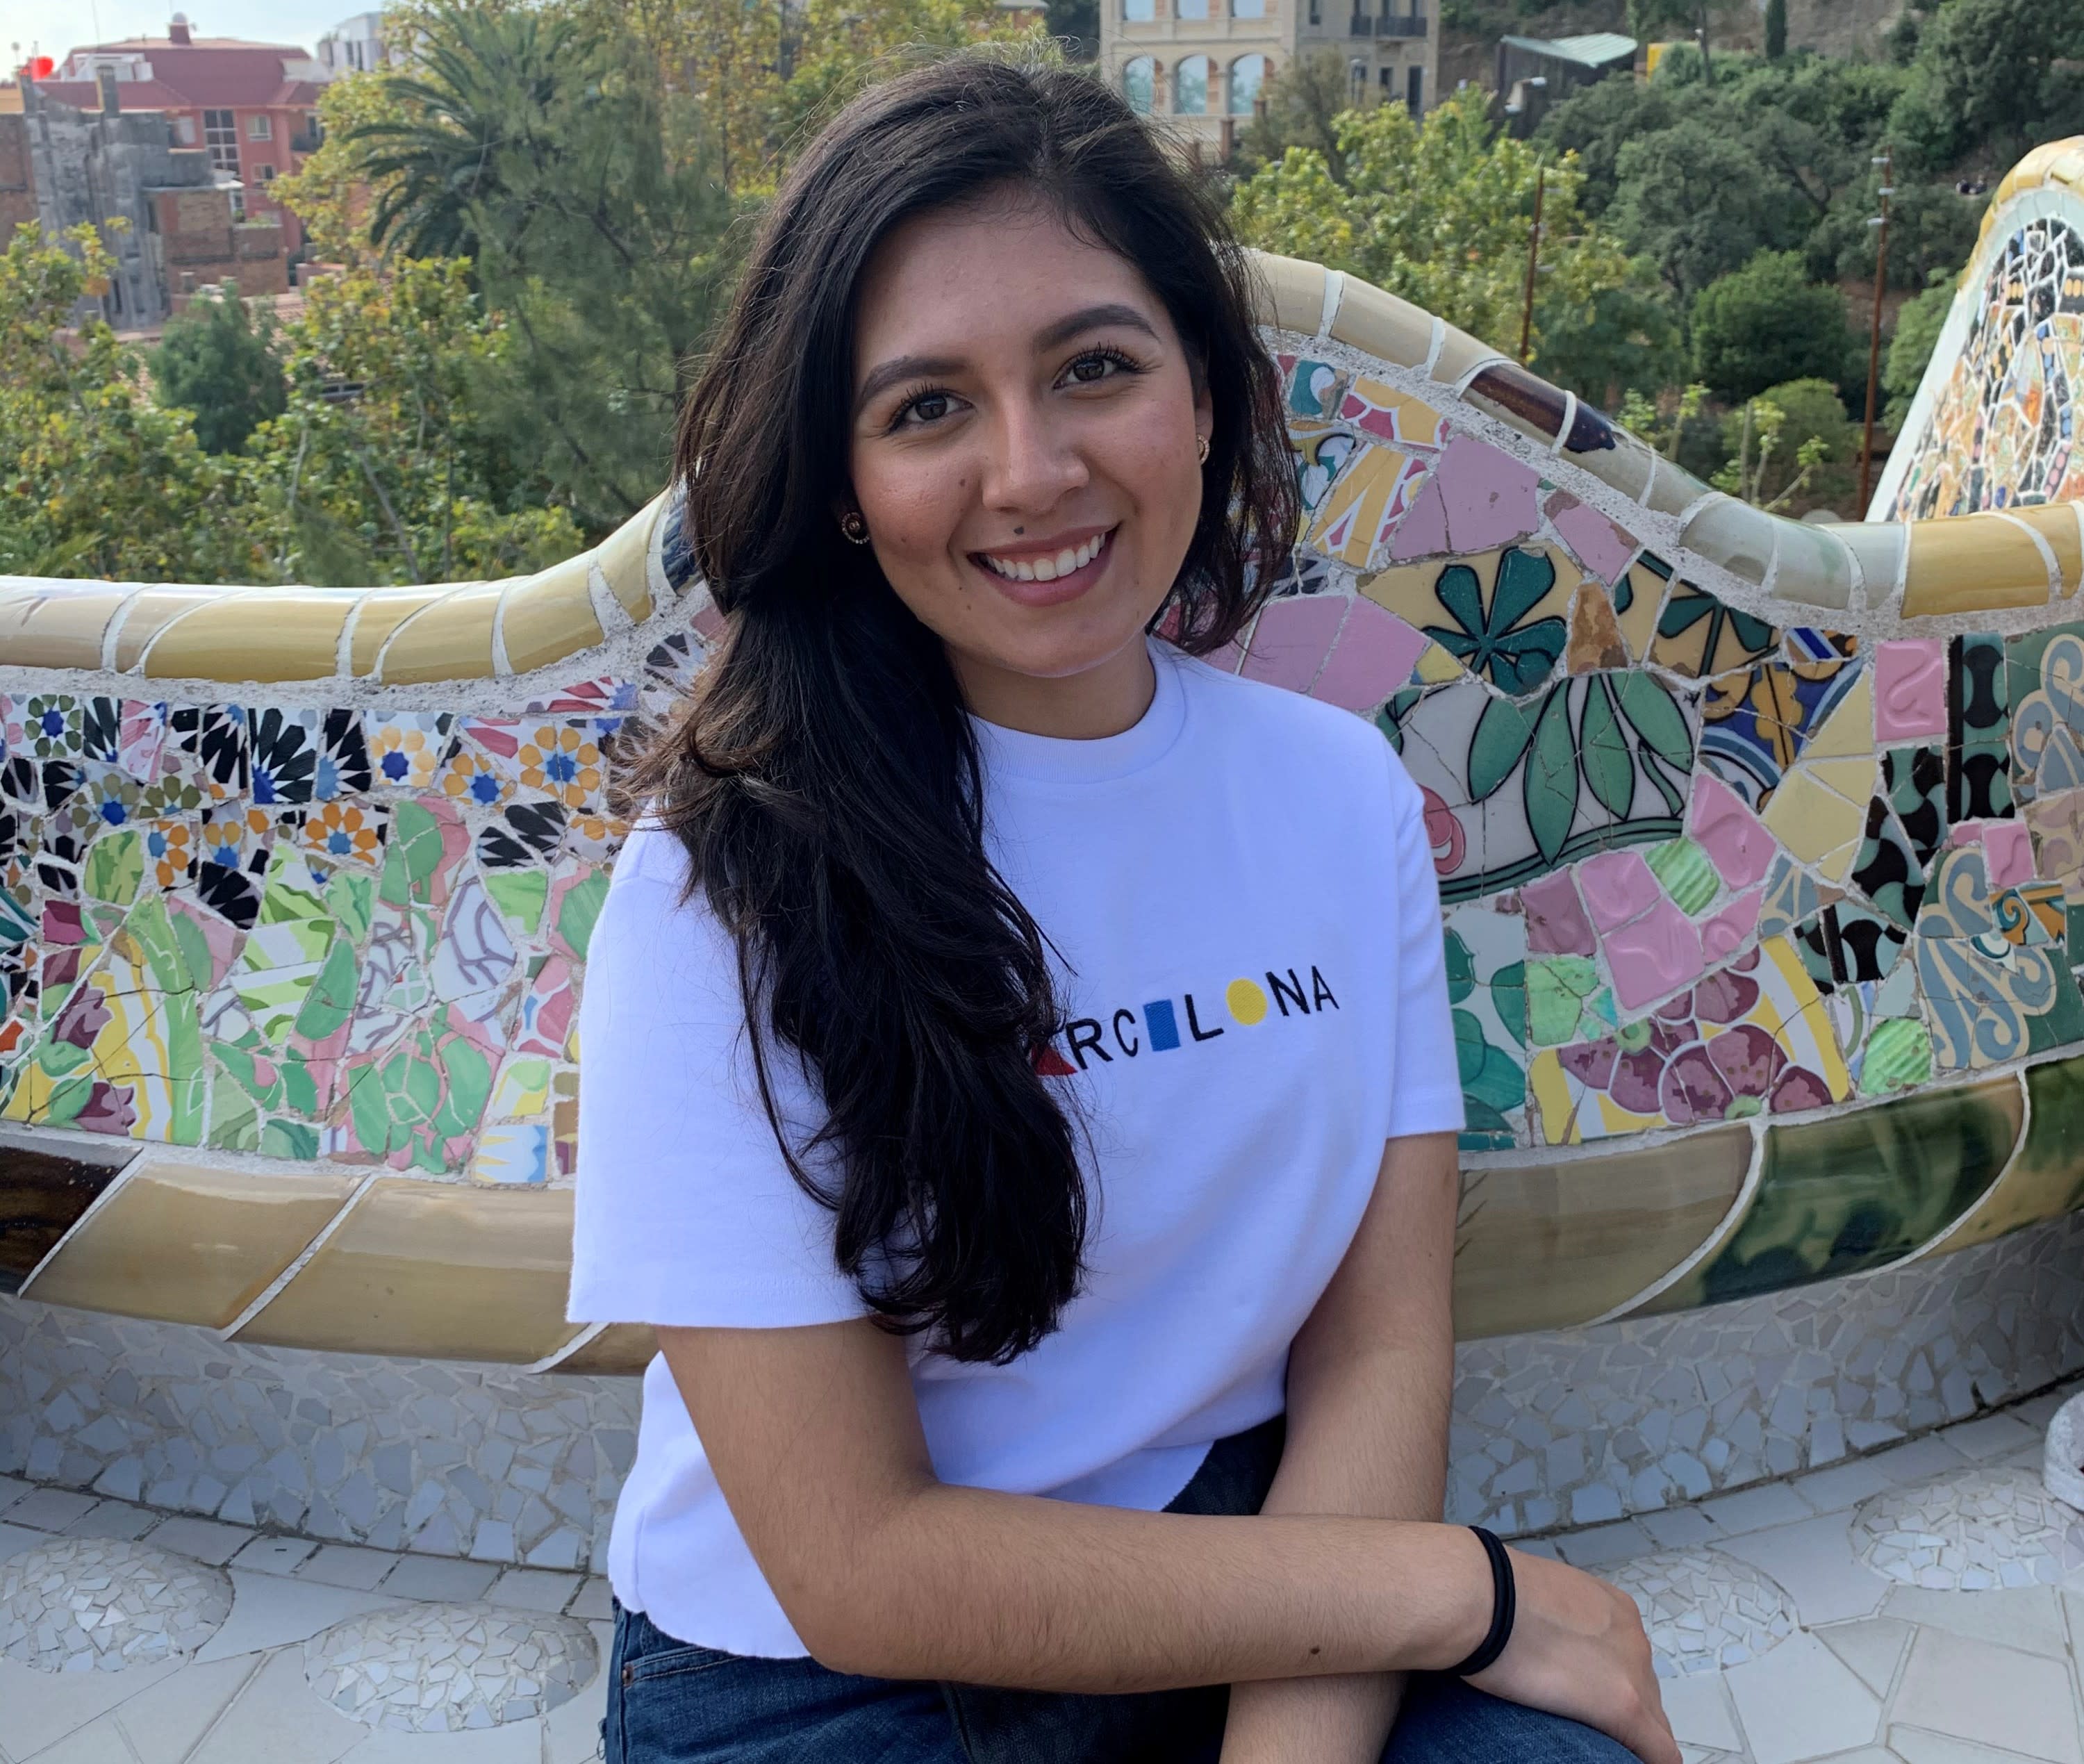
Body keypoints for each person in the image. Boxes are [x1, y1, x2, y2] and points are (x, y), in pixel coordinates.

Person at [570, 54, 1676, 1764]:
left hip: (1247, 1574)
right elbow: (860, 1559)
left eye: (1096, 368)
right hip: (824, 1679)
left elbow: (1377, 1344)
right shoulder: (727, 881)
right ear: (843, 482)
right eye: (926, 407)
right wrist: (1472, 1595)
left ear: (1204, 395)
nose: (1031, 472)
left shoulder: (1339, 798)